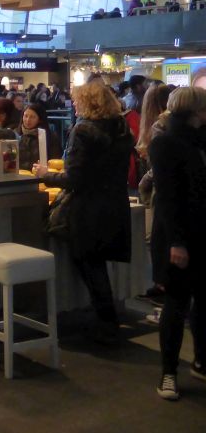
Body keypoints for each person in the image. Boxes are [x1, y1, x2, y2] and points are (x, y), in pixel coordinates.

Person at [34, 80, 134, 342]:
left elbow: (75, 180)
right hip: (115, 203)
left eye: (78, 101)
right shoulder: (122, 128)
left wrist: (46, 176)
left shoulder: (84, 131)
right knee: (97, 264)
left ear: (89, 103)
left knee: (90, 265)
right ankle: (107, 320)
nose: (74, 105)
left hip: (89, 209)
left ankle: (107, 324)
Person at [148, 87, 206, 400]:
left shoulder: (200, 139)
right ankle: (168, 373)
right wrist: (177, 242)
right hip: (177, 236)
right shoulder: (165, 142)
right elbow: (169, 198)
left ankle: (200, 360)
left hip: (201, 231)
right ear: (195, 111)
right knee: (176, 302)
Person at [137, 83, 174, 302]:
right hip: (165, 190)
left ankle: (162, 283)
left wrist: (145, 180)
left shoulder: (160, 126)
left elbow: (160, 166)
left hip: (160, 191)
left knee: (155, 238)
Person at [17, 102, 62, 171]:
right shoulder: (18, 135)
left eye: (32, 117)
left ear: (39, 119)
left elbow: (55, 160)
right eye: (25, 116)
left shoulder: (50, 137)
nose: (28, 120)